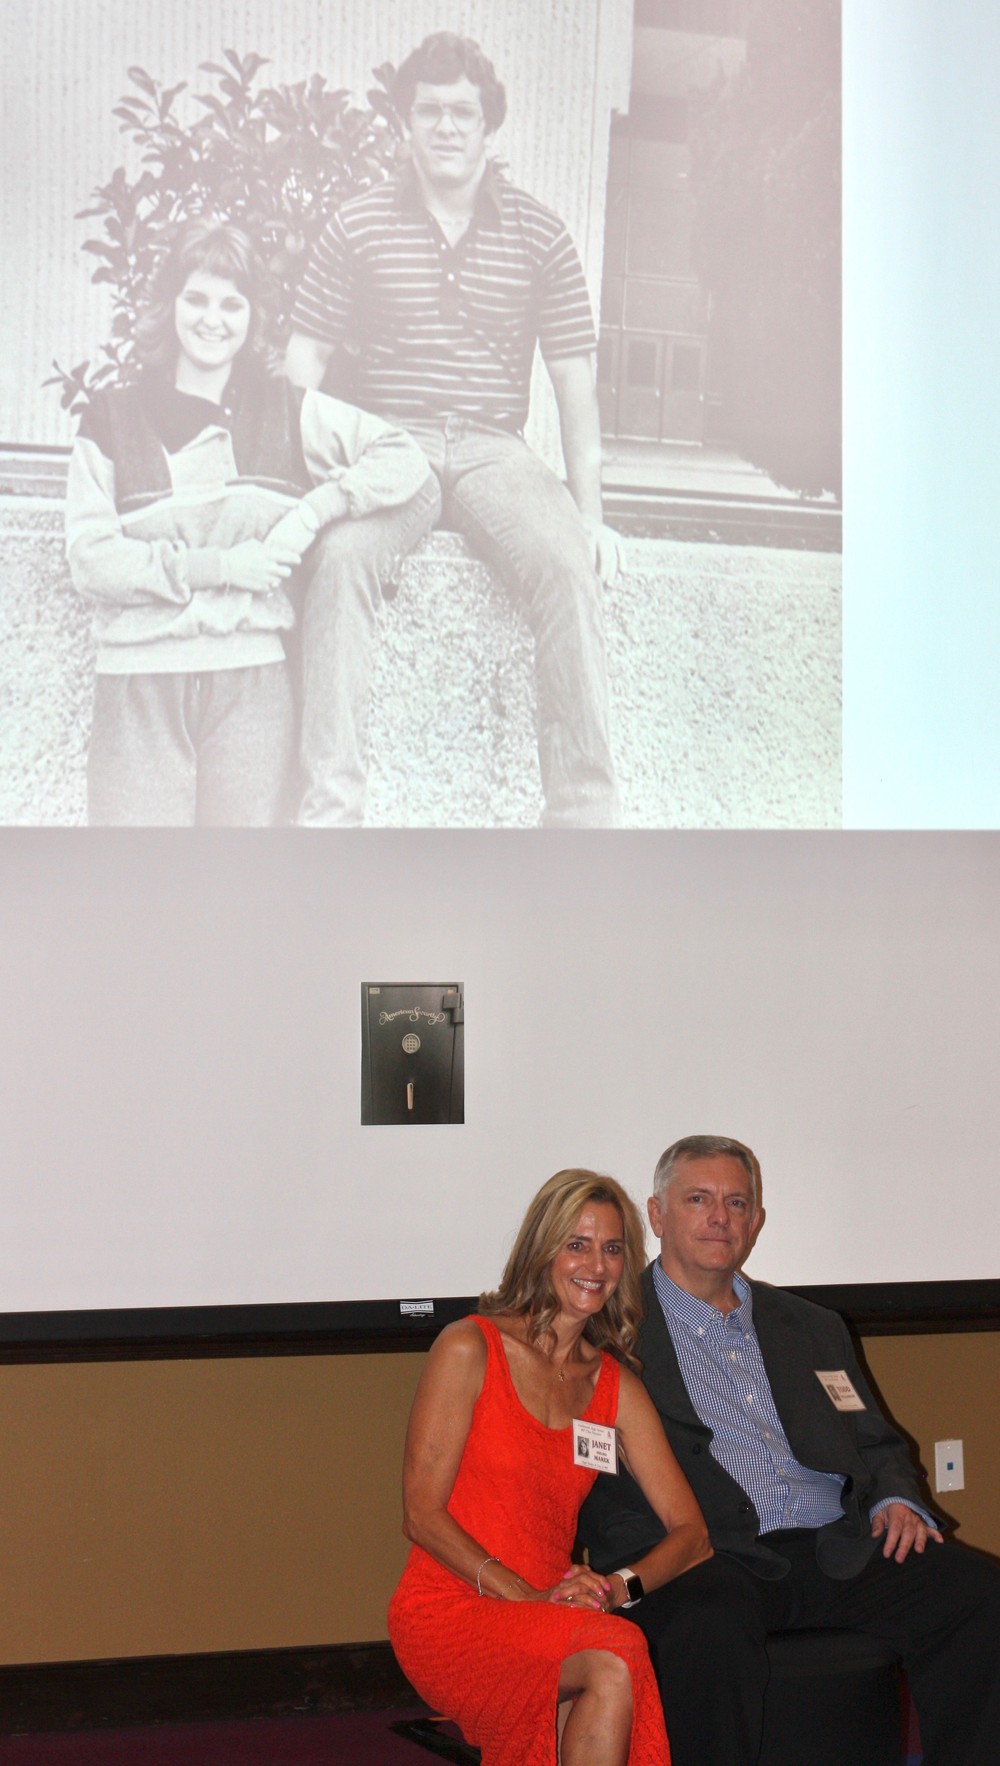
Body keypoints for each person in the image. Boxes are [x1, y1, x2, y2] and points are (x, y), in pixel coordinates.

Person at [285, 31, 623, 829]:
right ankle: (330, 817)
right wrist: (299, 488)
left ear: (488, 124)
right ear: (404, 122)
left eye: (462, 112)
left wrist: (592, 514)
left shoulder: (540, 234)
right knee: (339, 561)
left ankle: (585, 823)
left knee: (566, 565)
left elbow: (575, 387)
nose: (445, 126)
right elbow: (302, 364)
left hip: (493, 447)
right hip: (388, 445)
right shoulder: (358, 225)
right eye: (428, 110)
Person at [577, 1135, 1000, 1766]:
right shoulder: (607, 1331)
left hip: (838, 1544)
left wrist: (894, 1497)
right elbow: (594, 1480)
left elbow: (874, 1438)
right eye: (698, 1199)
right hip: (712, 1555)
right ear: (657, 1215)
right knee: (706, 1626)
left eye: (736, 1203)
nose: (720, 1217)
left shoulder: (811, 1325)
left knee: (978, 1594)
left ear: (756, 1221)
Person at [66, 218, 435, 825]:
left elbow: (405, 458)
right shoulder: (112, 416)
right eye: (197, 299)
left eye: (232, 304)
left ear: (252, 316)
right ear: (169, 303)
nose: (213, 320)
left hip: (253, 689)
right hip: (138, 683)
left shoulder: (287, 411)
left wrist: (313, 512)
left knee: (241, 878)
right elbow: (91, 560)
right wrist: (221, 567)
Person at [388, 1169, 711, 1765]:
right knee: (616, 1653)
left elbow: (693, 1537)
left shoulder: (615, 1385)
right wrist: (525, 1596)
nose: (597, 1265)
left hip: (557, 1612)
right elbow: (420, 1515)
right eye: (577, 1244)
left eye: (612, 1249)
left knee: (609, 1651)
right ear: (542, 1251)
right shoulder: (469, 1346)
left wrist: (614, 1589)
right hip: (452, 1607)